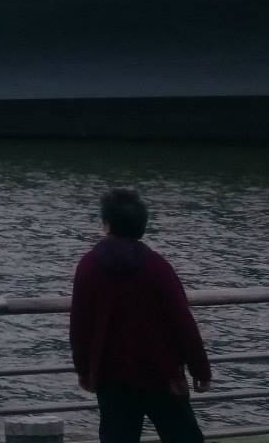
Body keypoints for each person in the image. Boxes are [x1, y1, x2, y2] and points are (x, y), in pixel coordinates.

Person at [70, 188, 212, 443]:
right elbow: (182, 321)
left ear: (107, 224)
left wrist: (83, 369)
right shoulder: (157, 266)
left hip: (111, 375)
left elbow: (80, 325)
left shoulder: (89, 266)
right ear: (141, 226)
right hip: (162, 373)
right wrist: (200, 369)